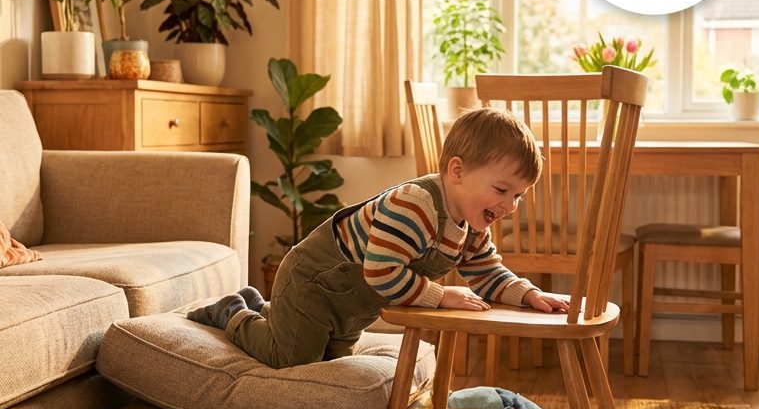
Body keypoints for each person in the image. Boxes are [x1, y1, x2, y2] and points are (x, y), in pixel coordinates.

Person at [189, 105, 569, 368]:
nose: (511, 205)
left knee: (330, 364)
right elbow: (382, 272)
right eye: (502, 190)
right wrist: (440, 296)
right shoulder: (415, 205)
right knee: (290, 358)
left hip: (350, 308)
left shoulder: (471, 226)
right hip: (313, 283)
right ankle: (234, 311)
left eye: (518, 196)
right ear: (457, 171)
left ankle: (264, 310)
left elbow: (488, 274)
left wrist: (529, 294)